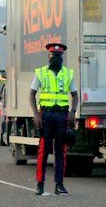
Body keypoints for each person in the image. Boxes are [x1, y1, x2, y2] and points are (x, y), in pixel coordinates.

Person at [31, 41, 74, 195]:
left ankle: (59, 185)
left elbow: (74, 94)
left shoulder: (68, 73)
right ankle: (40, 185)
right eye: (52, 55)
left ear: (61, 57)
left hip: (62, 115)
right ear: (48, 56)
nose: (55, 58)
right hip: (46, 116)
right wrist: (36, 114)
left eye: (58, 56)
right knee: (43, 150)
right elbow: (32, 93)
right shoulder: (41, 72)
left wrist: (72, 112)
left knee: (60, 151)